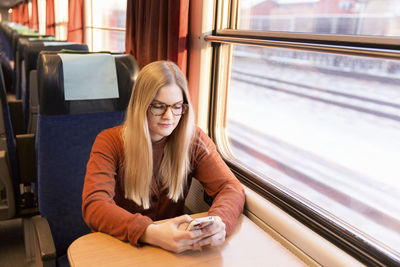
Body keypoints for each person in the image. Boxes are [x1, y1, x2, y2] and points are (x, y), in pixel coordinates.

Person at [82, 60, 245, 253]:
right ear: (141, 105)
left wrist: (219, 222)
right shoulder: (110, 141)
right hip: (120, 247)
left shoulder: (193, 140)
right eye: (159, 106)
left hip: (170, 251)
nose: (169, 116)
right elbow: (95, 205)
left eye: (177, 107)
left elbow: (230, 187)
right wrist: (150, 232)